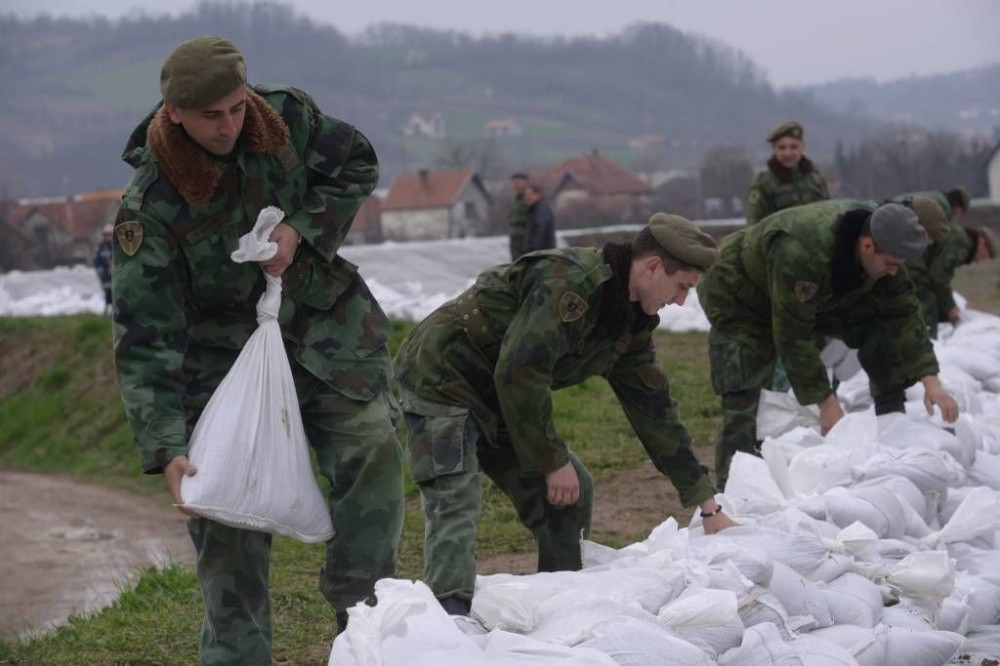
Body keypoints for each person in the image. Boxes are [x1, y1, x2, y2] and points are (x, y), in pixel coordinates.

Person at [111, 36, 404, 664]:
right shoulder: (152, 204)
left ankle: (367, 628)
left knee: (372, 450)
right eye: (211, 116)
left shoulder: (287, 118)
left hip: (325, 329)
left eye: (237, 108)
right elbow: (145, 334)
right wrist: (166, 445)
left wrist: (301, 229)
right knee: (225, 514)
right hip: (221, 364)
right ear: (174, 114)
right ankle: (238, 653)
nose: (229, 127)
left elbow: (356, 162)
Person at [394, 213, 738, 617]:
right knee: (456, 493)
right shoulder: (571, 284)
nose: (680, 302)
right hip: (443, 376)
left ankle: (559, 604)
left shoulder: (628, 323)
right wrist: (551, 459)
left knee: (571, 493)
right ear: (653, 267)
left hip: (504, 393)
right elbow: (522, 371)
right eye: (682, 287)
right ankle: (449, 617)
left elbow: (655, 411)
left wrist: (706, 503)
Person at [698, 200, 960, 489]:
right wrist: (827, 404)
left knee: (880, 324)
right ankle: (734, 488)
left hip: (812, 289)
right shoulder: (803, 251)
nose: (894, 272)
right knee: (744, 386)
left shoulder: (885, 243)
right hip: (738, 291)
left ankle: (891, 419)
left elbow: (904, 314)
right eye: (890, 265)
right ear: (867, 246)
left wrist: (931, 381)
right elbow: (793, 337)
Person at [745, 121, 830, 225]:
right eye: (782, 148)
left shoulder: (816, 180)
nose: (788, 153)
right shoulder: (763, 185)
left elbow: (829, 217)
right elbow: (754, 227)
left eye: (793, 147)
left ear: (802, 147)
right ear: (774, 149)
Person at [522, 183, 556, 254]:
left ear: (538, 195)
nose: (527, 198)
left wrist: (533, 250)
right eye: (526, 195)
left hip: (541, 252)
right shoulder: (534, 209)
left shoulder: (541, 209)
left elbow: (541, 231)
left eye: (529, 195)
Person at [508, 172, 530, 261]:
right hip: (515, 238)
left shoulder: (530, 198)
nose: (515, 186)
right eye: (513, 183)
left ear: (526, 182)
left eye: (518, 183)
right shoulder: (516, 200)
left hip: (526, 238)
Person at [92, 224, 114, 315]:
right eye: (106, 235)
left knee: (115, 292)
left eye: (110, 235)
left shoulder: (116, 247)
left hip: (116, 274)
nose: (108, 237)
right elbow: (96, 261)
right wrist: (101, 271)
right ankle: (107, 308)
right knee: (107, 291)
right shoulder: (100, 247)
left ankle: (115, 310)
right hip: (105, 274)